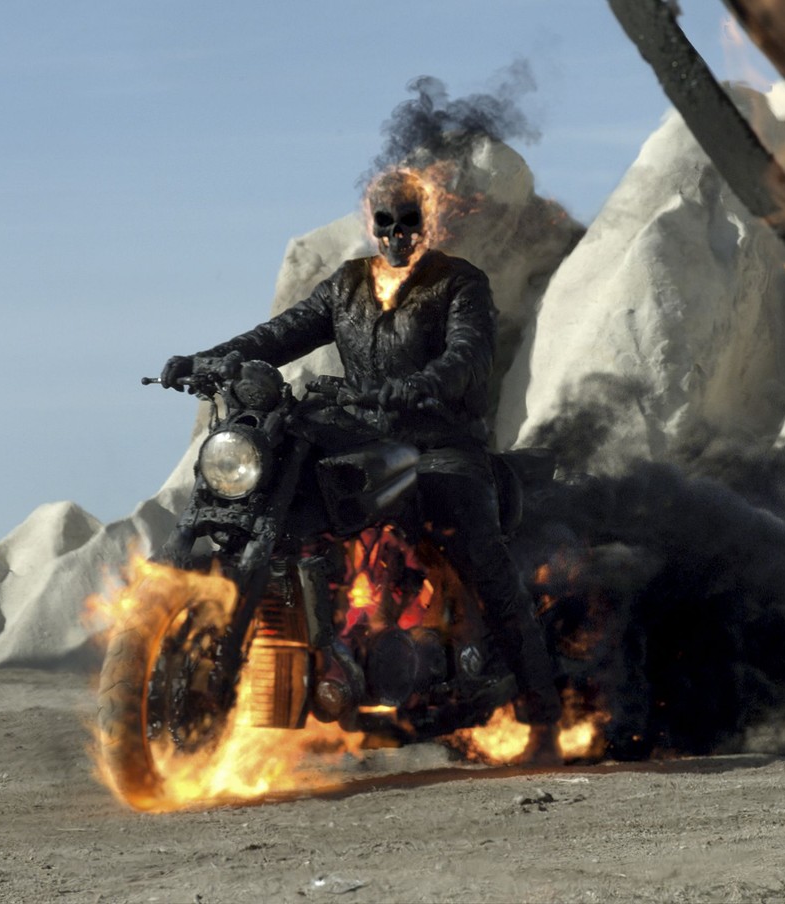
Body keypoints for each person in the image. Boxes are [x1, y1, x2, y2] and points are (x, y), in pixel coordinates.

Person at [159, 169, 564, 764]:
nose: (398, 235)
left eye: (409, 223)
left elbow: (467, 357)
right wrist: (206, 360)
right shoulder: (346, 286)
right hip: (361, 436)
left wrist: (414, 388)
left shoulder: (459, 284)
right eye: (387, 224)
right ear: (372, 227)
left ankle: (541, 714)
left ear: (429, 223)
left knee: (479, 551)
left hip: (441, 445)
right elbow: (280, 335)